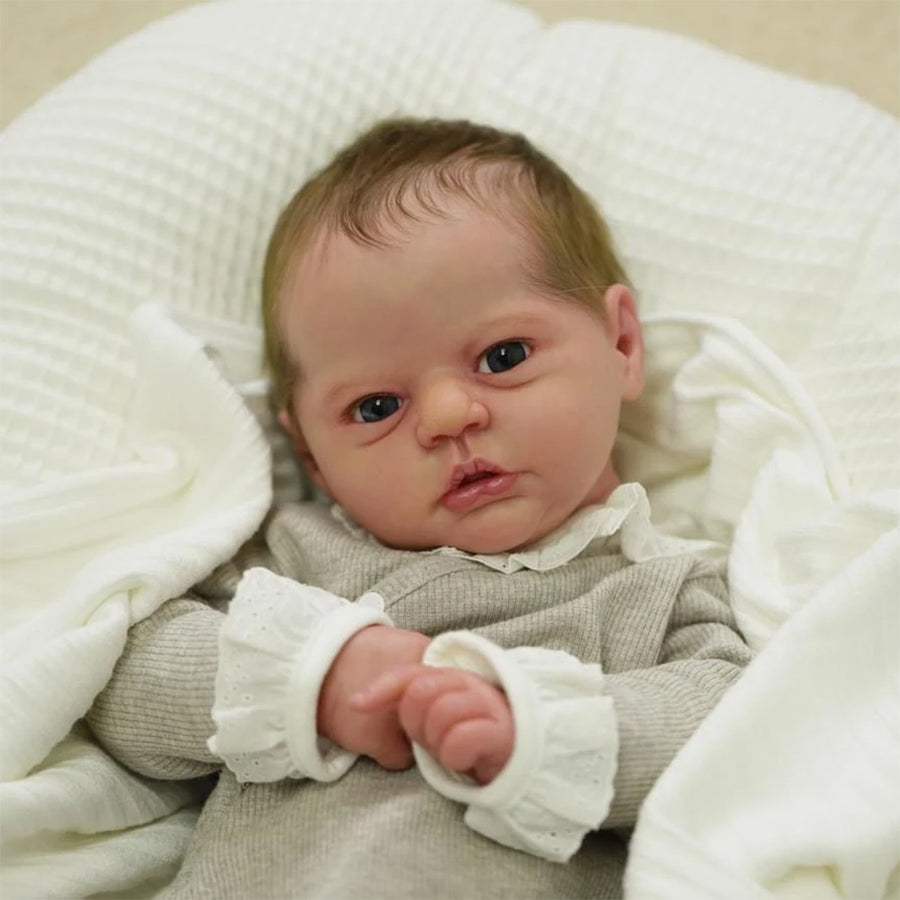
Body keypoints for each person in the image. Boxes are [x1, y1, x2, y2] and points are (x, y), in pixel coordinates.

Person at [88, 118, 751, 899]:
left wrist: (539, 729)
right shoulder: (300, 555)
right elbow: (115, 678)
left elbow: (740, 736)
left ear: (622, 345)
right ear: (311, 455)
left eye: (503, 357)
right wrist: (315, 674)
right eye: (376, 407)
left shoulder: (660, 589)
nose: (446, 416)